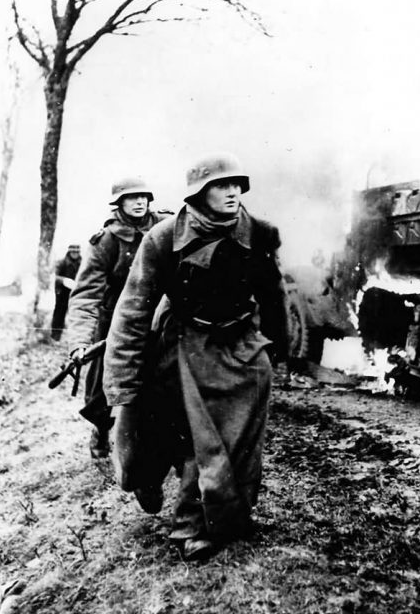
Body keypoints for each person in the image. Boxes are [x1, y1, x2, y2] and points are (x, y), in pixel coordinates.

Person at [103, 152, 289, 561]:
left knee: (229, 442)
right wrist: (123, 380)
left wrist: (280, 350)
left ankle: (205, 522)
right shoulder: (163, 238)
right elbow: (133, 310)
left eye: (237, 184)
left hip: (240, 347)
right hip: (182, 344)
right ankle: (165, 496)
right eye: (222, 185)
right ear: (199, 193)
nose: (233, 192)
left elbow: (274, 296)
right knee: (168, 440)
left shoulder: (258, 233)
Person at [67, 177, 172, 459]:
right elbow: (86, 295)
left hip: (161, 315)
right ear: (119, 203)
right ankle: (101, 428)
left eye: (144, 197)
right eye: (132, 197)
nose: (139, 202)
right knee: (103, 388)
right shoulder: (107, 241)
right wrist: (80, 342)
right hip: (116, 322)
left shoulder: (167, 227)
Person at [51, 244, 82, 340]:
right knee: (60, 313)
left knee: (78, 314)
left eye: (77, 252)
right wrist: (64, 280)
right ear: (69, 252)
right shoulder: (62, 262)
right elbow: (55, 276)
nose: (75, 254)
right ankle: (55, 335)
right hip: (63, 292)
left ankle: (77, 339)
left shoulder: (82, 263)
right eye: (73, 252)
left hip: (76, 291)